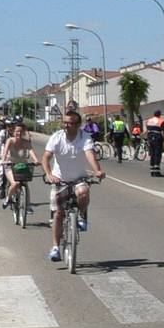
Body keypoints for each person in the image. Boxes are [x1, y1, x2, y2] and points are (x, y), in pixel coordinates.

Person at [41, 109, 105, 262]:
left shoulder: (85, 137)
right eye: (64, 122)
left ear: (78, 125)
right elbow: (46, 157)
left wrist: (97, 170)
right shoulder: (57, 137)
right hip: (59, 180)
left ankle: (82, 216)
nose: (66, 125)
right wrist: (49, 174)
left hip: (78, 179)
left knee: (83, 191)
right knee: (58, 214)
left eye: (69, 123)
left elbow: (89, 154)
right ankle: (55, 248)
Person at [0, 123, 40, 211]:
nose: (19, 133)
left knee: (25, 184)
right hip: (11, 166)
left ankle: (27, 206)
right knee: (15, 183)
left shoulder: (26, 142)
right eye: (17, 131)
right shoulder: (10, 141)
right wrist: (3, 160)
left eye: (21, 131)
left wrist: (36, 160)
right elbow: (5, 152)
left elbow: (31, 151)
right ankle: (8, 198)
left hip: (22, 166)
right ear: (13, 132)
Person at [145, 110, 164, 176]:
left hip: (150, 138)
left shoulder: (149, 120)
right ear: (159, 115)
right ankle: (156, 172)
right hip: (157, 139)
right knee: (157, 154)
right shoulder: (161, 121)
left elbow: (147, 130)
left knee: (152, 154)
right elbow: (162, 132)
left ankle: (152, 171)